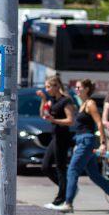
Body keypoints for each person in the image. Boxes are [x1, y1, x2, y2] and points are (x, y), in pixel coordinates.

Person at [51, 79, 109, 214]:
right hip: (82, 141)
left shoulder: (90, 104)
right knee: (94, 175)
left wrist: (103, 143)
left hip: (86, 141)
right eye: (76, 88)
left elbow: (99, 123)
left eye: (79, 88)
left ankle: (68, 203)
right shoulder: (82, 104)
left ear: (86, 89)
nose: (76, 90)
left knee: (72, 171)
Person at [38, 75, 76, 208]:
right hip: (55, 136)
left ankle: (62, 197)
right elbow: (43, 114)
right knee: (46, 167)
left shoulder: (66, 101)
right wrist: (43, 100)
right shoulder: (52, 101)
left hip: (63, 137)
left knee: (60, 167)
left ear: (56, 86)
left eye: (49, 86)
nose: (47, 89)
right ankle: (67, 189)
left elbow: (70, 120)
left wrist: (55, 121)